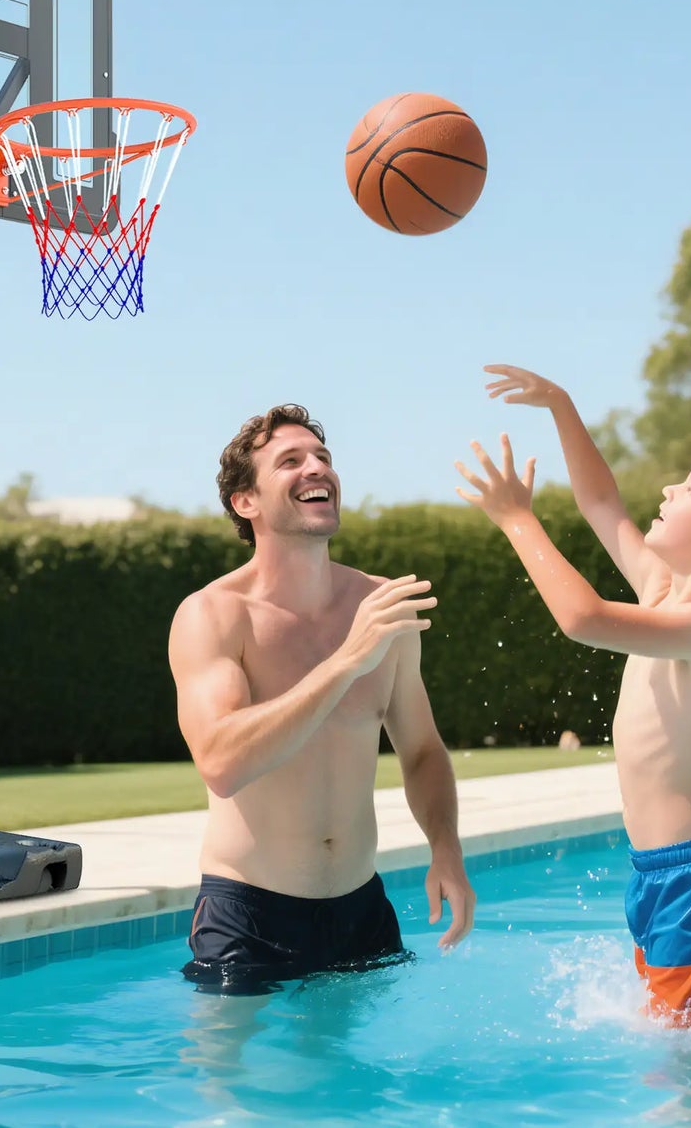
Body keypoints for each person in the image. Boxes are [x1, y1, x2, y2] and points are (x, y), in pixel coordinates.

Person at [455, 365, 691, 1028]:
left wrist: (515, 518)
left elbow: (583, 618)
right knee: (670, 1059)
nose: (666, 487)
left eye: (686, 487)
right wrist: (562, 404)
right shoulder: (661, 587)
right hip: (656, 872)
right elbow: (600, 504)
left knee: (687, 1081)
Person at [169, 404, 476, 992]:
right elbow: (221, 763)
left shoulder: (383, 606)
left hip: (361, 909)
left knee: (357, 1086)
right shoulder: (214, 615)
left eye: (323, 458)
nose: (317, 468)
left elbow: (421, 750)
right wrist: (343, 663)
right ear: (245, 501)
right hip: (248, 914)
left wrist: (447, 850)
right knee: (232, 1085)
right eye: (291, 461)